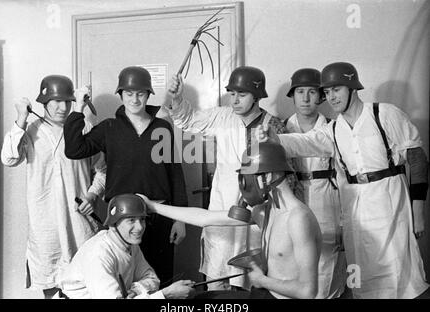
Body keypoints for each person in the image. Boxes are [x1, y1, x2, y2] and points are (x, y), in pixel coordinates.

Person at [259, 62, 429, 299]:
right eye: (327, 92)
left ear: (353, 88)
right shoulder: (334, 128)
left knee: (398, 271)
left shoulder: (384, 113)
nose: (331, 97)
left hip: (389, 202)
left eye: (337, 89)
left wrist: (418, 210)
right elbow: (307, 142)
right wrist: (274, 138)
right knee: (362, 274)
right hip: (355, 207)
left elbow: (417, 157)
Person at [166, 66, 303, 290]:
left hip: (258, 216)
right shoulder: (222, 117)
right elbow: (188, 120)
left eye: (242, 94)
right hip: (222, 209)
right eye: (232, 94)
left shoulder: (273, 126)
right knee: (218, 277)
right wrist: (177, 98)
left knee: (254, 281)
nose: (235, 100)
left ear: (257, 96)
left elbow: (288, 178)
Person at [139, 141, 322, 299]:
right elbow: (205, 218)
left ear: (268, 176)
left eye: (249, 178)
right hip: (264, 293)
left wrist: (262, 280)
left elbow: (308, 291)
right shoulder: (265, 212)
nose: (244, 185)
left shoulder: (298, 219)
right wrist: (153, 207)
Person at [63, 66, 188, 286]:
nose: (134, 99)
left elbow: (174, 173)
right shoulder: (109, 128)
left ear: (148, 94)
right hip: (122, 220)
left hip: (159, 215)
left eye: (140, 93)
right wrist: (78, 108)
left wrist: (180, 219)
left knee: (161, 280)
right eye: (129, 94)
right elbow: (74, 149)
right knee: (125, 281)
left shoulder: (162, 127)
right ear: (120, 95)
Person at [0, 75, 106, 298]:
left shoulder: (84, 128)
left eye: (68, 101)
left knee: (85, 285)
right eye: (56, 102)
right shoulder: (30, 131)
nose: (62, 107)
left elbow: (103, 170)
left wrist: (92, 195)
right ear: (43, 103)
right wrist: (21, 118)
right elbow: (9, 159)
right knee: (50, 284)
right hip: (45, 224)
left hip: (79, 222)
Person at [58, 194, 195, 299]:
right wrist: (166, 294)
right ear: (114, 223)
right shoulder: (99, 253)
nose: (140, 227)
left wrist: (136, 290)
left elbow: (152, 278)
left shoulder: (128, 242)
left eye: (142, 219)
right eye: (131, 220)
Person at [284, 68, 346, 298]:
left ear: (321, 96)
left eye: (312, 92)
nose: (306, 98)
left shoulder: (334, 128)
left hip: (326, 201)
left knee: (326, 267)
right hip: (291, 203)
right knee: (293, 265)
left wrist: (344, 220)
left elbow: (343, 174)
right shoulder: (278, 128)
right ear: (292, 95)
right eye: (300, 91)